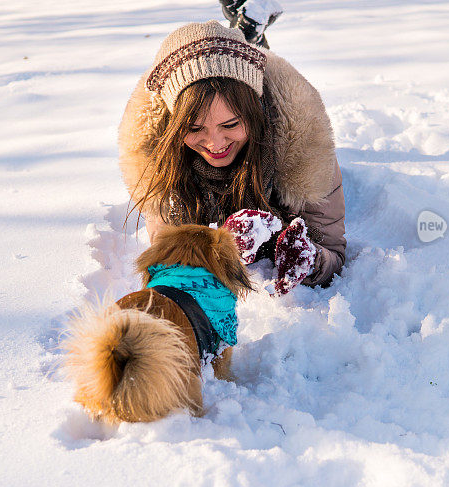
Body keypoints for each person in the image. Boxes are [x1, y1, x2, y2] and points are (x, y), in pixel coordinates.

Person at [117, 20, 346, 295]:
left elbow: (333, 252)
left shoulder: (302, 153)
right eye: (194, 128)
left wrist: (307, 257)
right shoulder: (166, 159)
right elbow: (169, 262)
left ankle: (250, 29)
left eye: (230, 125)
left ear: (253, 115)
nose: (215, 143)